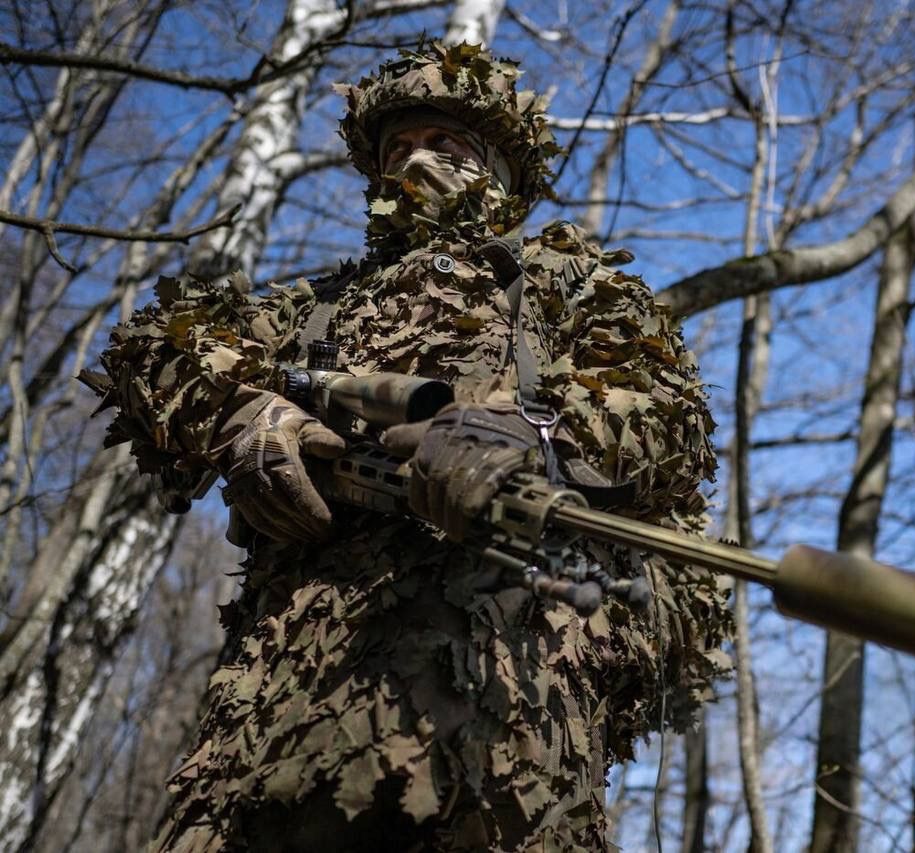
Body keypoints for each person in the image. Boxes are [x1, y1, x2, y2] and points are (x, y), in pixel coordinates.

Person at [87, 42, 732, 852]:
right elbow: (153, 346)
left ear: (498, 168)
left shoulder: (566, 280)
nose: (417, 161)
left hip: (506, 704)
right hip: (277, 708)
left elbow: (663, 409)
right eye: (399, 147)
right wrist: (244, 413)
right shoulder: (318, 306)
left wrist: (528, 436)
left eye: (446, 143)